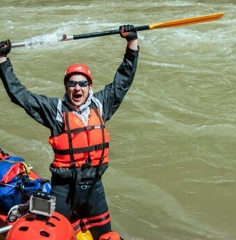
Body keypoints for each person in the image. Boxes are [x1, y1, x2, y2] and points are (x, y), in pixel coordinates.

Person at [0, 25, 139, 240]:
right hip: (63, 190)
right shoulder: (55, 110)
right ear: (66, 87)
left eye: (82, 83)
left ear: (89, 87)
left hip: (94, 188)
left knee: (108, 236)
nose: (77, 88)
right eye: (72, 83)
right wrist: (2, 60)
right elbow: (20, 96)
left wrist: (131, 43)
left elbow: (123, 80)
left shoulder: (102, 106)